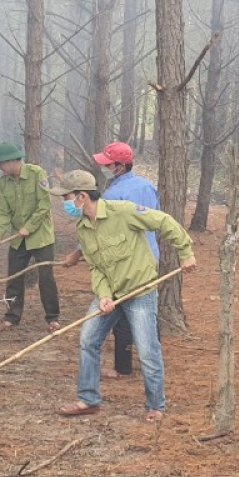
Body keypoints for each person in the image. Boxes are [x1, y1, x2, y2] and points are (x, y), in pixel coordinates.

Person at [51, 170, 196, 422]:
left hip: (139, 291)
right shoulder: (83, 227)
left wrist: (185, 251)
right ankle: (88, 399)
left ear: (82, 196)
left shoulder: (123, 211)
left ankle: (155, 406)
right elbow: (96, 267)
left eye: (66, 197)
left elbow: (163, 221)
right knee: (88, 339)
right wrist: (104, 295)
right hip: (111, 294)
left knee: (147, 349)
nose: (64, 202)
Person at [62, 141, 158, 379]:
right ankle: (140, 362)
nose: (103, 167)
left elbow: (100, 233)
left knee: (120, 310)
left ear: (120, 166)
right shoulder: (147, 185)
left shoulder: (113, 195)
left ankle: (123, 367)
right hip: (149, 256)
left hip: (122, 258)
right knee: (144, 313)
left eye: (107, 164)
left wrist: (77, 253)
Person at [0, 142, 60, 331]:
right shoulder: (3, 183)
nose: (0, 168)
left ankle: (52, 318)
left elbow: (44, 205)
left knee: (46, 277)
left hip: (41, 237)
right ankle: (11, 317)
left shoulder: (37, 174)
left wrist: (29, 227)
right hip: (18, 239)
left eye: (1, 164)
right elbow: (3, 214)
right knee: (14, 278)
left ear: (12, 162)